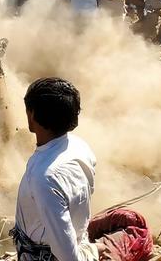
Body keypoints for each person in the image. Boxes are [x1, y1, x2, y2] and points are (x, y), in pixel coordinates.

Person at [11, 77, 104, 261]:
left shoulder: (44, 178)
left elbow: (68, 257)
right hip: (80, 237)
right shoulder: (80, 147)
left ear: (32, 115)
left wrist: (88, 253)